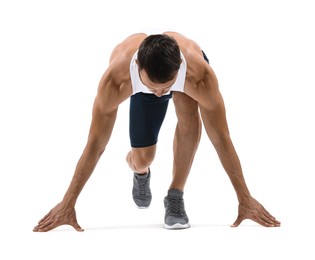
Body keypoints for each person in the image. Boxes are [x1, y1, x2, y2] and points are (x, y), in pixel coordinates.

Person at [33, 31, 280, 231]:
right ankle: (141, 173)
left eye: (167, 87)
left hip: (184, 83)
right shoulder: (116, 80)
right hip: (140, 86)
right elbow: (96, 143)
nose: (162, 93)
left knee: (190, 117)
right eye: (156, 88)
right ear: (138, 66)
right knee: (143, 158)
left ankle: (175, 195)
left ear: (180, 67)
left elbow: (221, 138)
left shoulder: (199, 76)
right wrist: (69, 203)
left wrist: (244, 198)